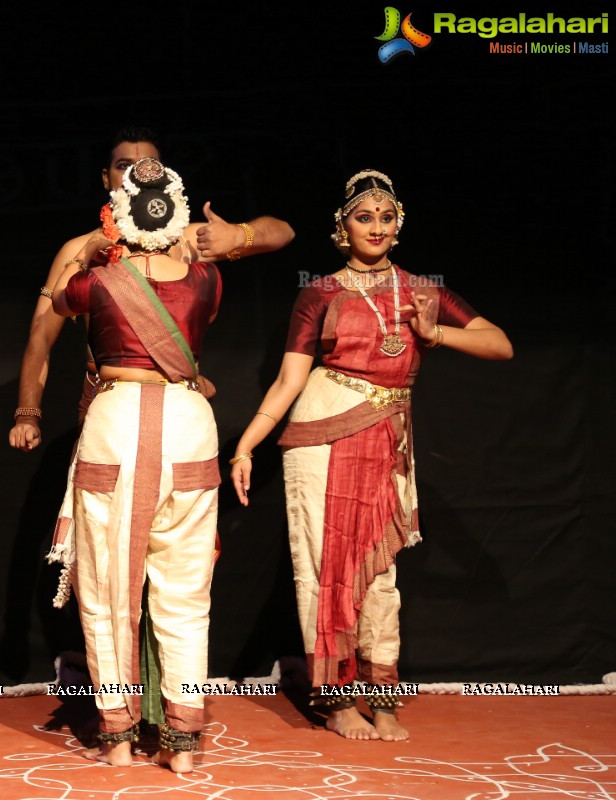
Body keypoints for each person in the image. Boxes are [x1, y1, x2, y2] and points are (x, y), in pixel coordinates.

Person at [228, 169, 513, 741]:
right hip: (319, 434)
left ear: (399, 225)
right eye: (364, 217)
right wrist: (247, 442)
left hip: (386, 436)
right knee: (321, 568)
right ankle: (336, 700)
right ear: (342, 229)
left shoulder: (425, 291)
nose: (376, 226)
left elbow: (499, 343)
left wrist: (437, 337)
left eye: (386, 217)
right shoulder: (320, 292)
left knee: (379, 574)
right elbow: (289, 380)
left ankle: (381, 694)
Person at [49, 157, 223, 774]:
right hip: (186, 424)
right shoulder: (205, 280)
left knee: (106, 590)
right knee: (185, 591)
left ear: (120, 216)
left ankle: (118, 734)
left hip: (117, 422)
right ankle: (181, 742)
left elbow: (57, 297)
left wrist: (95, 253)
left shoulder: (97, 283)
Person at [8, 126, 294, 452]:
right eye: (123, 166)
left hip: (178, 399)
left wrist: (240, 235)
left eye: (148, 165)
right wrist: (27, 415)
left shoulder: (188, 241)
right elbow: (41, 335)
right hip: (108, 401)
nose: (137, 175)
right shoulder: (80, 250)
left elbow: (284, 232)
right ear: (106, 178)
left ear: (164, 175)